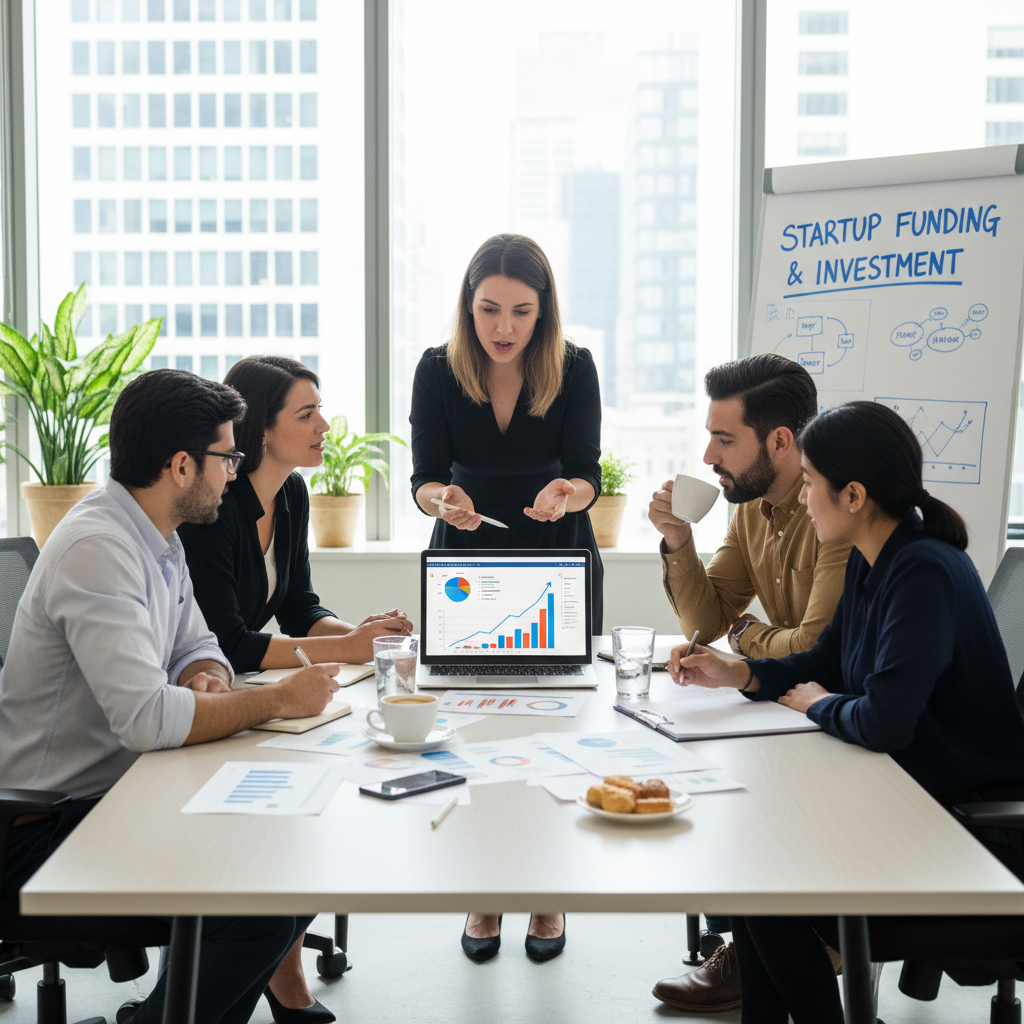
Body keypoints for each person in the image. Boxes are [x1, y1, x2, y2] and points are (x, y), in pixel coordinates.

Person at [0, 369, 343, 1024]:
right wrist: (273, 701)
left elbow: (199, 642)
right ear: (182, 465)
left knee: (294, 866)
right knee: (256, 905)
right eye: (227, 457)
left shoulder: (156, 533)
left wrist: (203, 677)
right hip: (45, 829)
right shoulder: (98, 548)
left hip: (121, 796)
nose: (235, 473)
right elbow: (146, 720)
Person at [669, 400, 1024, 1024]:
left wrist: (824, 706)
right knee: (754, 871)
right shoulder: (874, 559)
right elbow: (824, 664)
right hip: (904, 796)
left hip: (963, 833)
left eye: (809, 483)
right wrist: (739, 672)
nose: (803, 498)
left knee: (763, 882)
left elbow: (883, 719)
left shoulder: (922, 572)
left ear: (853, 494)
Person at [178, 355, 412, 1023]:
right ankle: (280, 984)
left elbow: (299, 605)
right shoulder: (216, 506)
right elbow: (228, 638)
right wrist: (345, 648)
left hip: (253, 688)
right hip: (210, 690)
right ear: (260, 430)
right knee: (295, 810)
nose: (324, 427)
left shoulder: (294, 496)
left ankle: (286, 982)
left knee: (324, 794)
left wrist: (368, 634)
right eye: (306, 415)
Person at [410, 232, 601, 963]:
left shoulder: (574, 367)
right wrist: (439, 499)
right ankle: (484, 892)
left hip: (556, 555)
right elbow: (424, 474)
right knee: (473, 731)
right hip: (465, 552)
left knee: (557, 730)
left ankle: (547, 893)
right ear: (468, 305)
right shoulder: (437, 368)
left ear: (542, 310)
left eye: (521, 311)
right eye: (489, 309)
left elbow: (585, 471)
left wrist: (569, 492)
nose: (503, 327)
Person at [647, 352, 852, 1013]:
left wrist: (748, 639)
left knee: (736, 819)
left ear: (781, 441)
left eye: (724, 438)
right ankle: (765, 944)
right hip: (790, 709)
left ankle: (794, 938)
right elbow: (707, 619)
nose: (708, 454)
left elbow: (818, 648)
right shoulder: (749, 511)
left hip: (840, 722)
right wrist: (679, 541)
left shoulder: (837, 510)